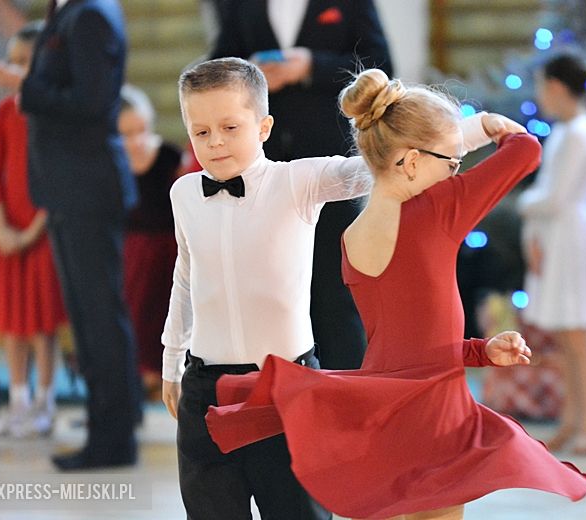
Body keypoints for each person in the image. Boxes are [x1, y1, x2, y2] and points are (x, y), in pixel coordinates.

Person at [204, 69, 586, 520]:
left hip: (386, 409)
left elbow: (408, 341)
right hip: (435, 411)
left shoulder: (350, 239)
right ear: (411, 162)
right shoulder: (438, 212)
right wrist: (489, 124)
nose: (455, 172)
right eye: (450, 162)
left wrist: (482, 351)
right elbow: (526, 151)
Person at [162, 57, 379, 520]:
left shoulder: (297, 182)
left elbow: (383, 167)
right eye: (201, 132)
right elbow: (185, 275)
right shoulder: (183, 193)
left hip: (286, 388)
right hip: (205, 388)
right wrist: (171, 363)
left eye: (229, 127)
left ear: (263, 126)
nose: (215, 142)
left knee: (298, 512)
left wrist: (476, 128)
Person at [0, 0, 141, 470]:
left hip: (87, 185)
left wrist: (23, 86)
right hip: (69, 186)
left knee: (98, 317)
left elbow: (91, 103)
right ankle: (108, 426)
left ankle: (112, 439)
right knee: (89, 319)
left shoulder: (91, 13)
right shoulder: (69, 11)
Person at [210, 0, 394, 369]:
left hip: (332, 167)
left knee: (335, 289)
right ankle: (281, 403)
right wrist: (252, 74)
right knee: (270, 290)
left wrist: (311, 65)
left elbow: (381, 68)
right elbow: (218, 69)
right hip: (263, 164)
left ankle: (348, 401)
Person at [518, 53, 586, 455]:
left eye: (543, 86)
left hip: (572, 237)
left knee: (579, 335)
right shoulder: (566, 131)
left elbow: (557, 197)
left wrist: (526, 203)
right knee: (566, 336)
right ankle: (572, 419)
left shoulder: (582, 132)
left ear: (557, 87)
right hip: (557, 236)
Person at [0, 21, 67, 439]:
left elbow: (55, 175)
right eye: (12, 61)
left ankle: (45, 400)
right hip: (7, 233)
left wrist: (35, 228)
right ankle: (17, 399)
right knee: (11, 321)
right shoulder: (3, 112)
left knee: (41, 323)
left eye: (26, 61)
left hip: (41, 232)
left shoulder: (51, 112)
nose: (16, 68)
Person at [118, 84, 183, 401]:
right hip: (133, 249)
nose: (136, 140)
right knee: (136, 309)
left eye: (142, 130)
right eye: (127, 134)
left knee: (162, 309)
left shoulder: (167, 156)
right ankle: (141, 372)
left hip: (167, 248)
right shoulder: (114, 164)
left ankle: (164, 373)